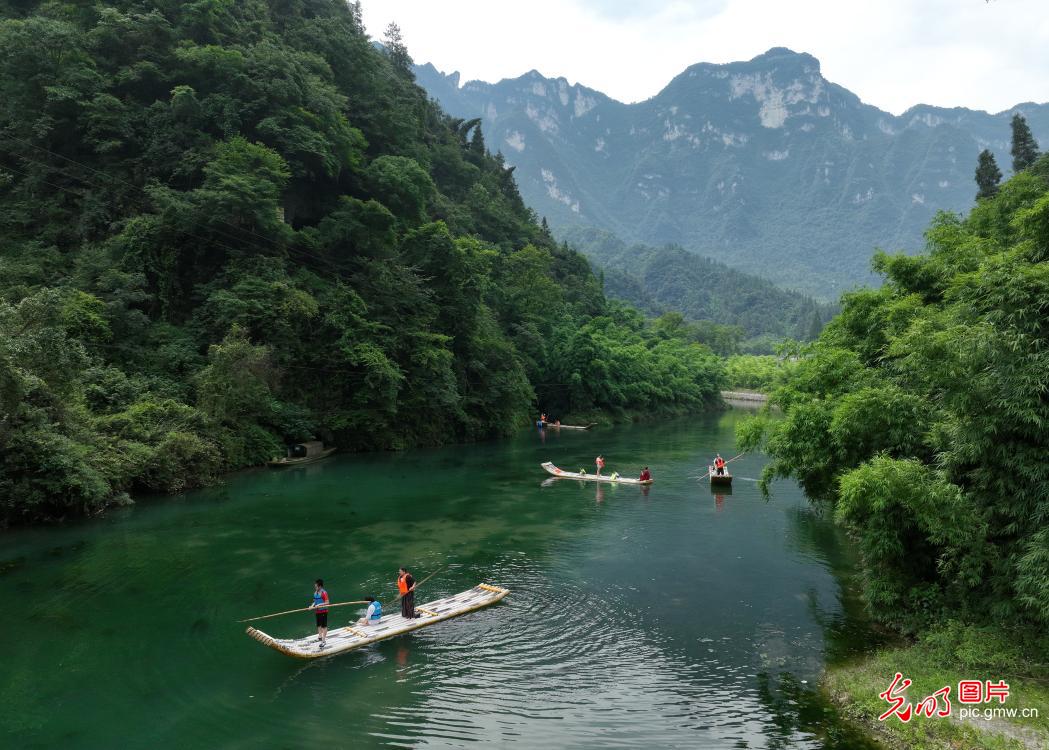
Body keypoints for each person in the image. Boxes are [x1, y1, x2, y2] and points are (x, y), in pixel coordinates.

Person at [310, 578, 329, 648]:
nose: (315, 587)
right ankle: (320, 637)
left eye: (316, 586)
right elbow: (315, 602)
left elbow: (327, 602)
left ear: (320, 586)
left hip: (323, 611)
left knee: (324, 626)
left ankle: (323, 641)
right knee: (318, 625)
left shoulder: (324, 593)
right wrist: (311, 606)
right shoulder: (315, 593)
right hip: (317, 611)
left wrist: (319, 605)